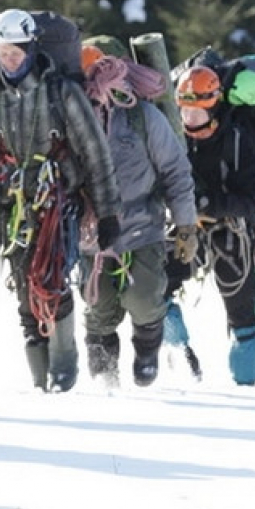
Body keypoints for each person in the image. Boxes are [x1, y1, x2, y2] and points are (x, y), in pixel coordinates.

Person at [0, 9, 121, 393]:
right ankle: (40, 378)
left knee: (52, 281)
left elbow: (95, 154)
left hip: (59, 205)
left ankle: (64, 368)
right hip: (12, 210)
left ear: (30, 49)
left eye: (15, 52)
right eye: (2, 52)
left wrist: (108, 213)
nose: (8, 60)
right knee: (25, 292)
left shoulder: (63, 93)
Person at [78, 45, 197, 387]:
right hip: (91, 236)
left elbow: (176, 170)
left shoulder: (141, 116)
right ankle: (104, 378)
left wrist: (186, 225)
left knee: (145, 300)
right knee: (99, 311)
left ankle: (146, 353)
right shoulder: (71, 119)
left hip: (142, 228)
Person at [176, 65, 255, 386]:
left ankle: (246, 380)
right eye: (185, 110)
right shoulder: (175, 137)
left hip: (231, 229)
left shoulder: (237, 139)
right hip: (182, 225)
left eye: (198, 111)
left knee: (241, 305)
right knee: (156, 287)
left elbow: (250, 200)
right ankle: (179, 357)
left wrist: (210, 205)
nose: (190, 118)